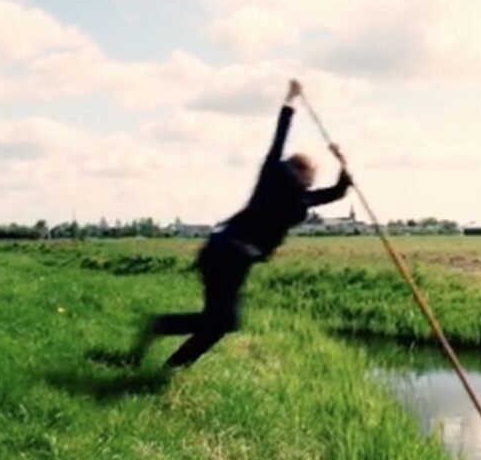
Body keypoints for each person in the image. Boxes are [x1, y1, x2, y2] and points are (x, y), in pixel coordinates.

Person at [132, 79, 352, 368]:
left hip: (233, 257)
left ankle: (171, 361)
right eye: (312, 173)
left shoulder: (300, 198)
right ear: (300, 170)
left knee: (221, 322)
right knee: (224, 320)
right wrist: (289, 102)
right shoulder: (274, 176)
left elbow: (337, 192)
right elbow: (279, 139)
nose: (313, 179)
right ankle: (162, 331)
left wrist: (342, 163)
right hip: (225, 252)